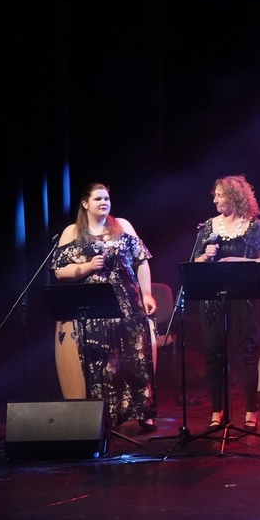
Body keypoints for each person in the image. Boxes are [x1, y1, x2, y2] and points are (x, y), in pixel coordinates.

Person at [51, 183, 157, 431]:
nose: (103, 203)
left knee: (135, 357)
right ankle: (104, 416)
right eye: (98, 199)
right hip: (95, 305)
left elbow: (141, 261)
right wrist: (87, 267)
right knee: (102, 363)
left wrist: (147, 293)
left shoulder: (122, 226)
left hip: (128, 303)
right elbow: (59, 271)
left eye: (106, 198)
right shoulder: (72, 232)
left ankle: (143, 412)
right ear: (85, 203)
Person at [190, 175, 260, 429]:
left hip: (243, 296)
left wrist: (238, 261)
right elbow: (194, 264)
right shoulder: (208, 227)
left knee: (247, 352)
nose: (214, 200)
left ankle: (250, 410)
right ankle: (217, 410)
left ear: (234, 197)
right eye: (214, 195)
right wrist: (205, 256)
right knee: (214, 353)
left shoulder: (254, 226)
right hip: (213, 298)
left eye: (219, 195)